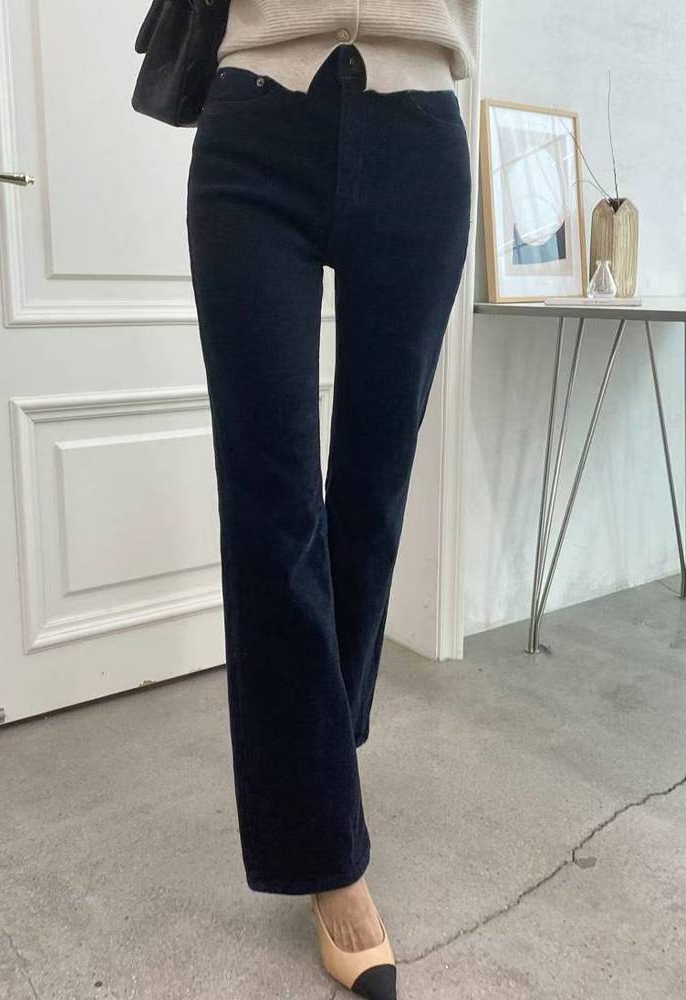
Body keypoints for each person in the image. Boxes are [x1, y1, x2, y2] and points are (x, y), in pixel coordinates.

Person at [186, 3, 479, 997]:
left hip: (418, 125)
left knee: (372, 493)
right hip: (255, 122)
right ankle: (330, 860)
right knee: (270, 505)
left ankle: (316, 753)